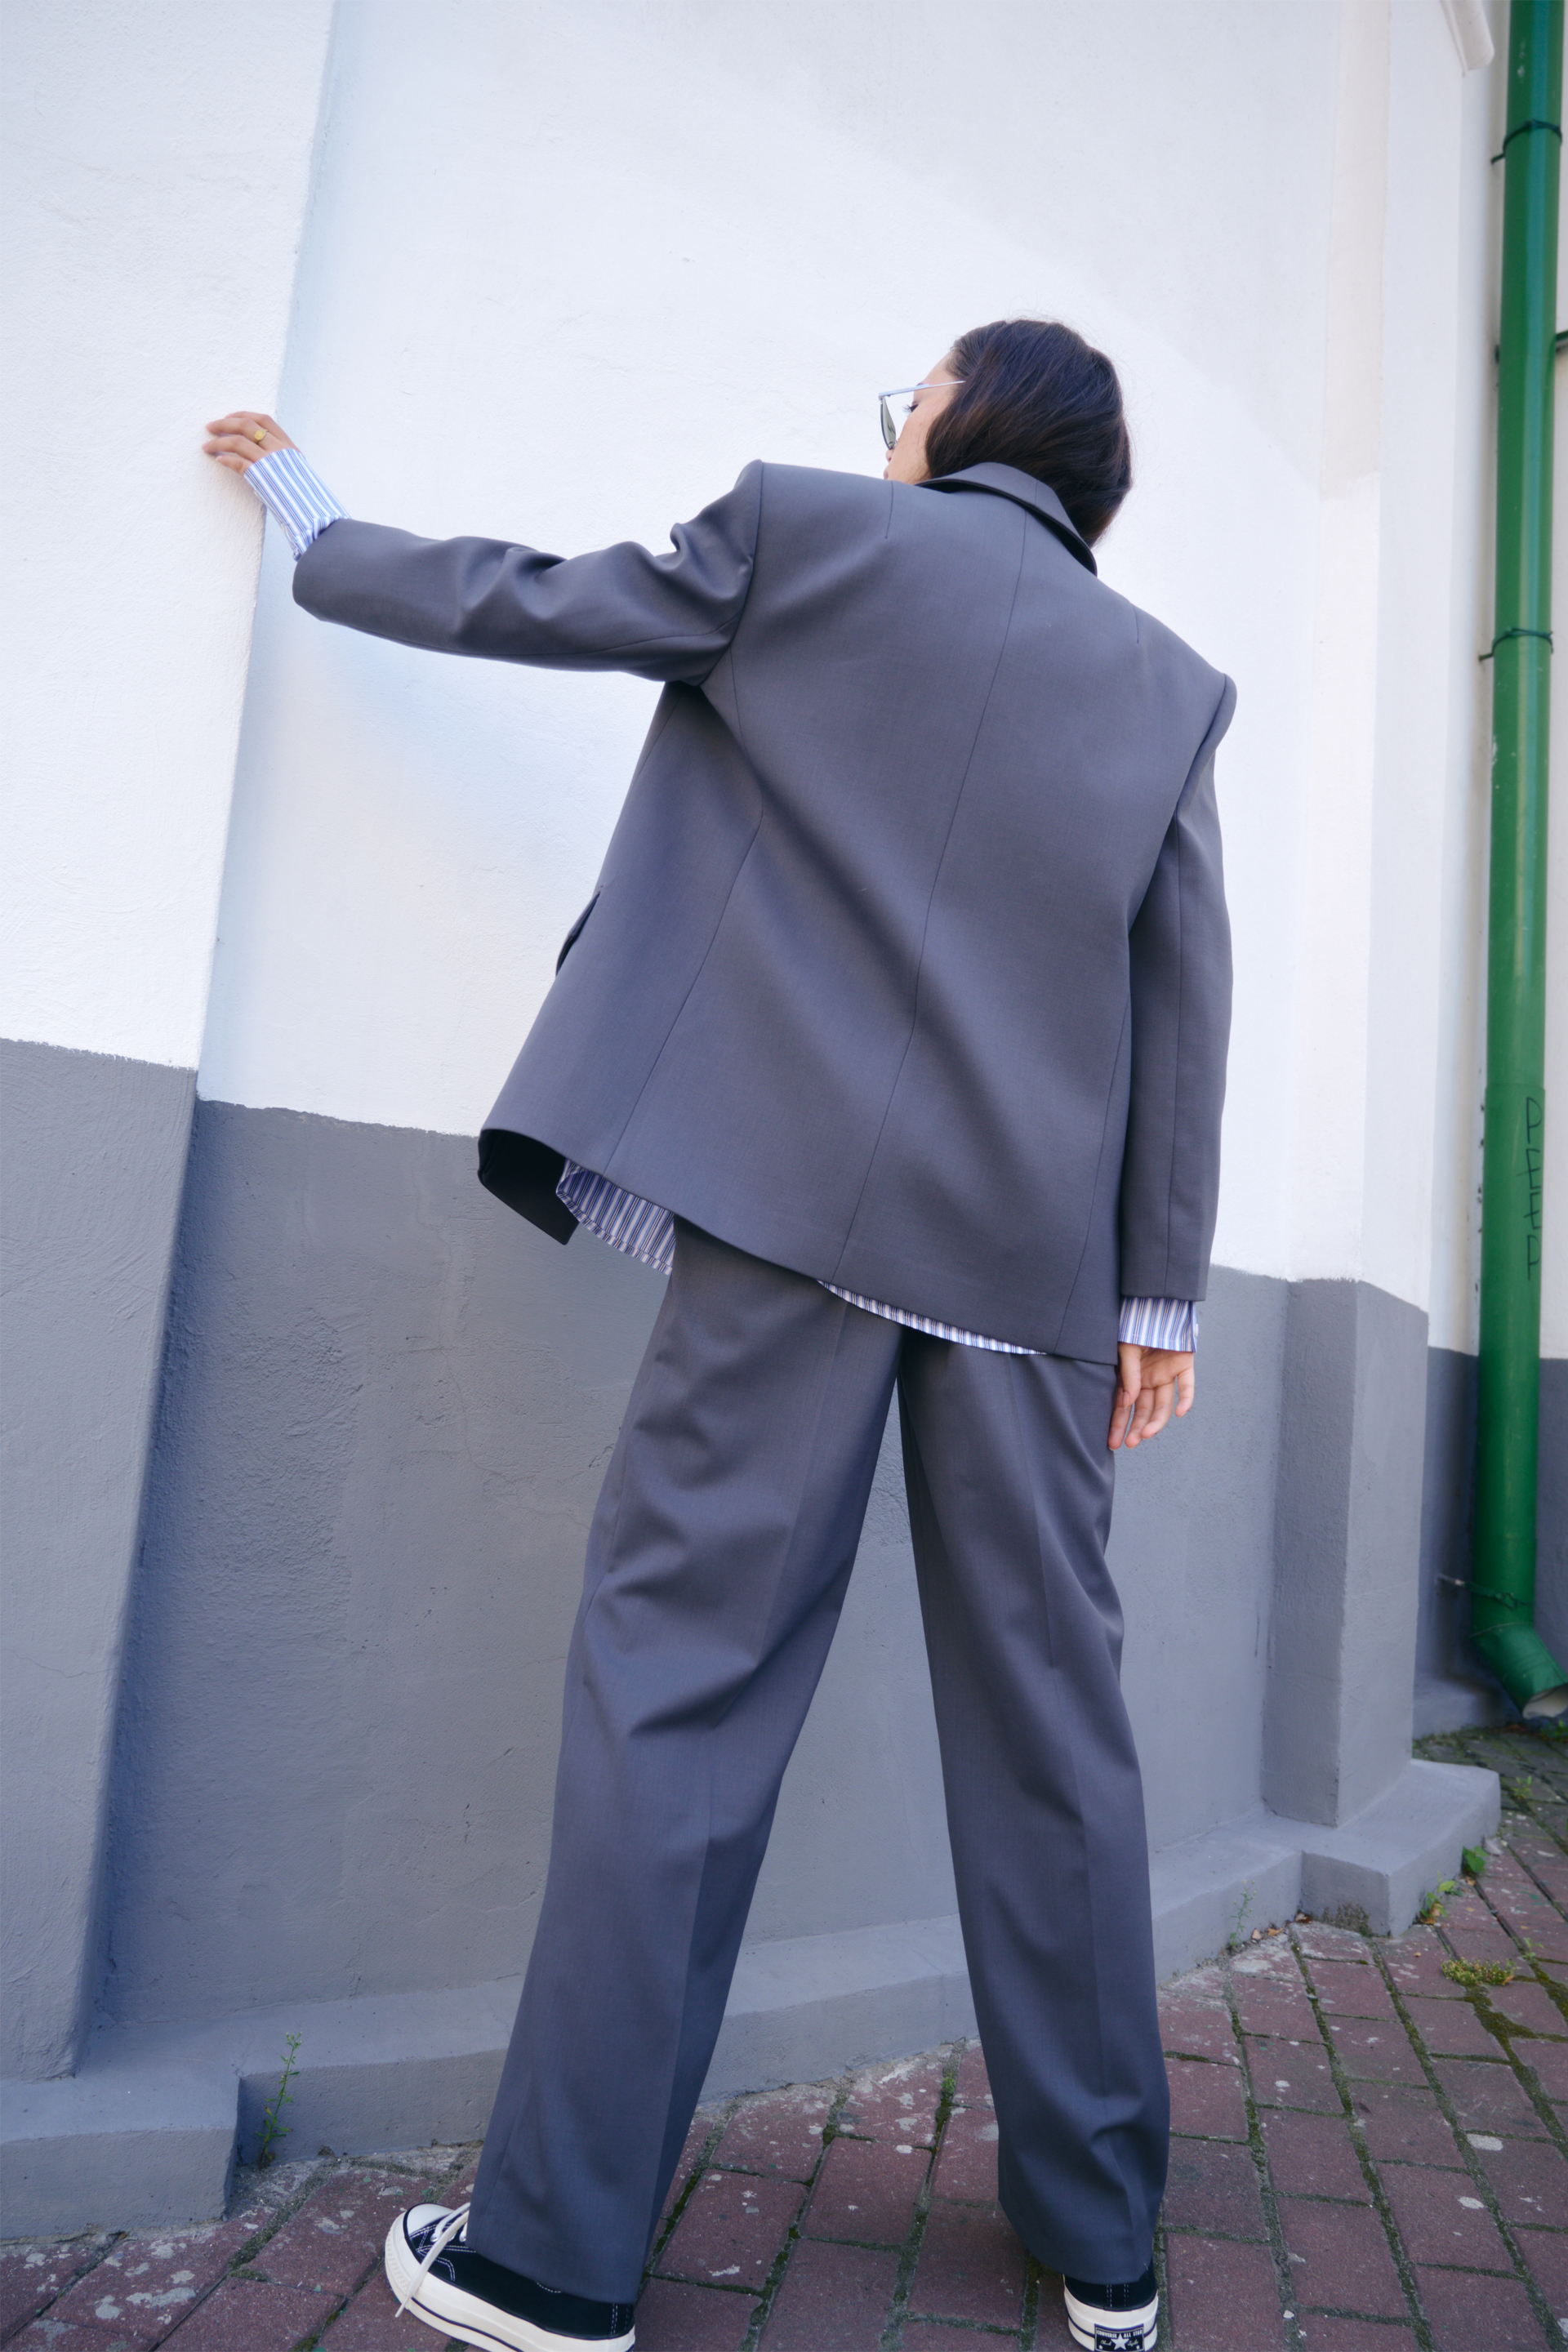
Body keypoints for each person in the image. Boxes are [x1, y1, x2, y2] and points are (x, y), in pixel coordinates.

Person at [203, 316, 1233, 2352]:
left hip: (793, 1226)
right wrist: (1159, 1294)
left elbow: (532, 604)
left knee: (676, 1698)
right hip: (1032, 1278)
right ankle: (1107, 2252)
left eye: (916, 390)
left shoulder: (802, 535)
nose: (899, 415)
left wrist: (315, 519)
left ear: (967, 417)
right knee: (1059, 1737)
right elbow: (1182, 991)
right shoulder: (1169, 686)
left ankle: (555, 2259)